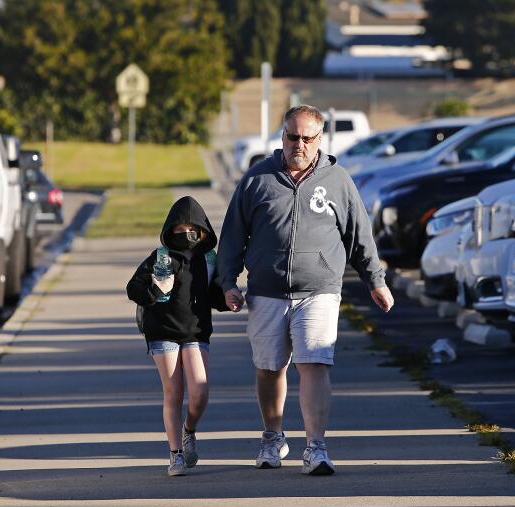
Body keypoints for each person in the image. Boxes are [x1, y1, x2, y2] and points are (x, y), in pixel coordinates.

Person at [216, 104, 394, 476]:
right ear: (282, 136)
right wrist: (228, 283)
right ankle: (272, 436)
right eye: (292, 136)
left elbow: (359, 235)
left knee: (313, 362)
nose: (298, 144)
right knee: (269, 368)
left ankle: (316, 447)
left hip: (319, 290)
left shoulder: (338, 180)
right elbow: (232, 236)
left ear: (319, 140)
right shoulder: (257, 179)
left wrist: (375, 280)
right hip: (266, 289)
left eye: (307, 138)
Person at [127, 196, 228, 477]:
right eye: (179, 230)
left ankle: (189, 431)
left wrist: (229, 298)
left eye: (192, 230)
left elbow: (216, 294)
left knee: (200, 391)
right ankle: (176, 455)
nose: (186, 236)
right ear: (170, 231)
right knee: (174, 392)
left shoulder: (209, 260)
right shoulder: (161, 258)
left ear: (204, 232)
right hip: (162, 332)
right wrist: (156, 290)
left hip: (195, 332)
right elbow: (134, 288)